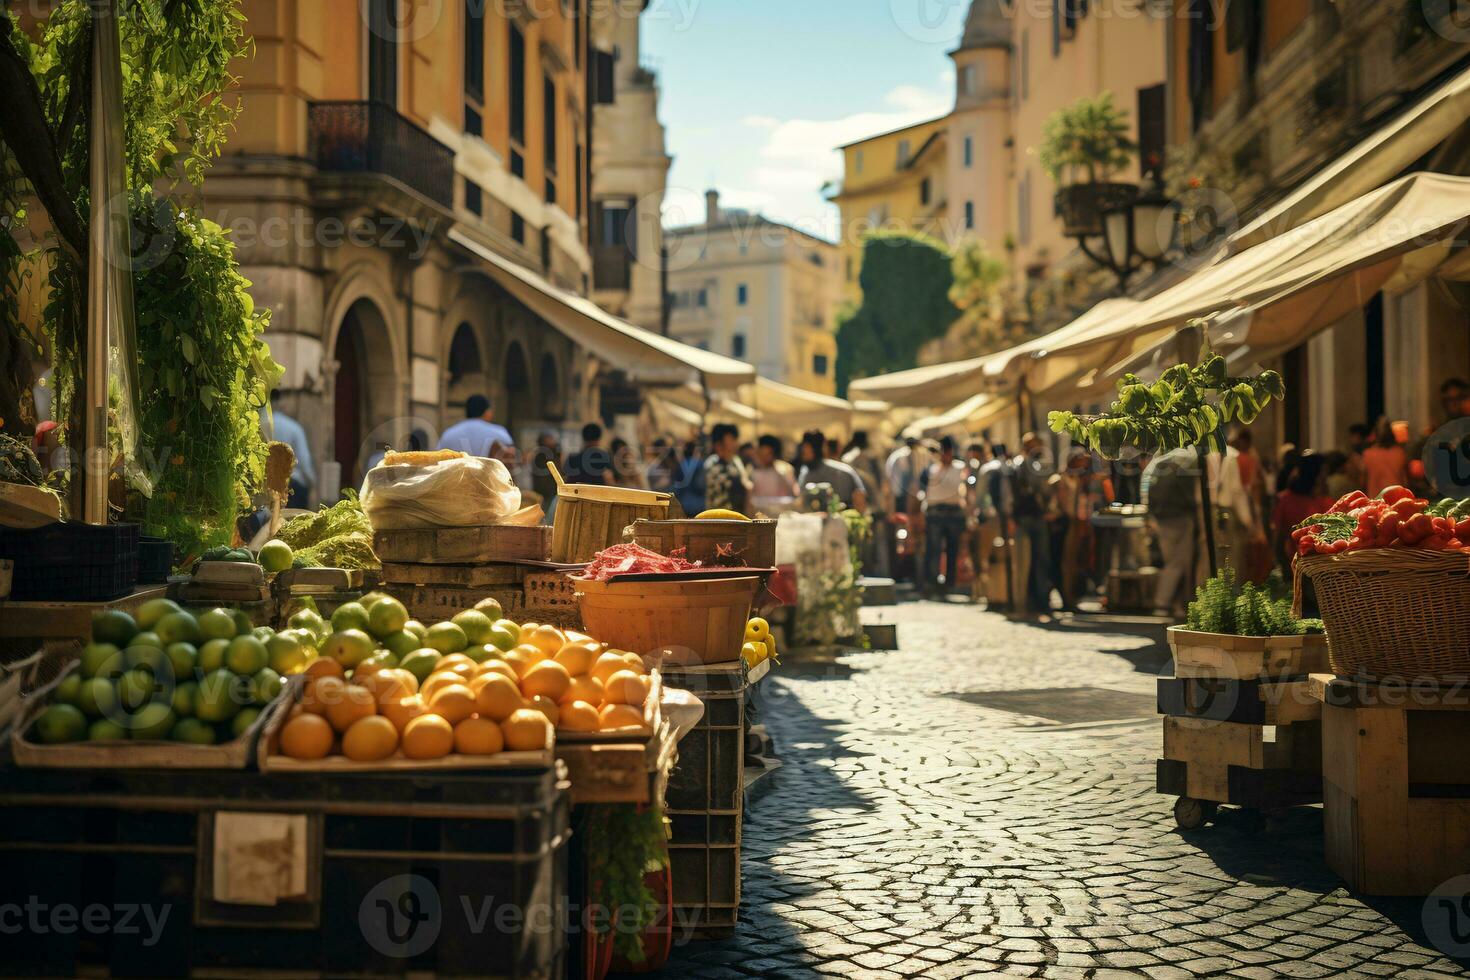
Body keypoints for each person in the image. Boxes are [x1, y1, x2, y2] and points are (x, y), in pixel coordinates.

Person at [1143, 447, 1202, 618]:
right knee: (1178, 563)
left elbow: (1146, 490)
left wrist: (1150, 515)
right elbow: (1191, 494)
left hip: (1162, 518)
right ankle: (1163, 603)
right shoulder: (1187, 460)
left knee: (1173, 561)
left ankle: (1175, 604)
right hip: (1181, 517)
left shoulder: (1158, 463)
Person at [1056, 447, 1113, 610]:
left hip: (1080, 524)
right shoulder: (1063, 479)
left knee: (1078, 562)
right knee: (1068, 563)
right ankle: (1067, 598)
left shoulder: (1082, 480)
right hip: (1067, 524)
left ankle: (1073, 596)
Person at [1012, 433, 1058, 615]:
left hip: (1035, 516)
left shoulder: (1032, 464)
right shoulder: (1022, 464)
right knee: (1032, 561)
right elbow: (1035, 488)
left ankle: (1039, 600)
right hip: (1026, 516)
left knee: (1040, 560)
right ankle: (1033, 601)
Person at [918, 435, 968, 598]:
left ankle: (949, 584)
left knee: (952, 550)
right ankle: (931, 583)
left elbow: (967, 490)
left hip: (954, 513)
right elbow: (922, 490)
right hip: (935, 513)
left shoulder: (960, 468)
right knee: (934, 550)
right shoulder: (930, 469)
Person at [1272, 453, 1333, 573]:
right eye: (1324, 473)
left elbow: (1278, 539)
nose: (1326, 477)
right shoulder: (1325, 503)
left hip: (1294, 565)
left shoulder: (1285, 499)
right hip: (1318, 567)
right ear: (1316, 475)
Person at [261, 388, 316, 506]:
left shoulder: (258, 425)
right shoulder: (293, 427)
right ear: (280, 401)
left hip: (263, 485)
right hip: (293, 485)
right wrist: (313, 484)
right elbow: (304, 461)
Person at [973, 444, 1010, 605]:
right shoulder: (1008, 467)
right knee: (1003, 555)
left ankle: (988, 593)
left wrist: (981, 512)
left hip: (990, 517)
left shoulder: (986, 469)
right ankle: (1003, 593)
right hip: (1005, 517)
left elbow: (981, 494)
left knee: (985, 555)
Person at [795, 429, 868, 511]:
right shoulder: (805, 473)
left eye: (808, 448)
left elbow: (860, 499)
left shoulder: (843, 472)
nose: (804, 451)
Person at [438, 394, 515, 461]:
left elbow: (437, 460)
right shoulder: (499, 433)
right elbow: (510, 460)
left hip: (455, 477)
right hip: (489, 477)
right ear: (487, 412)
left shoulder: (449, 434)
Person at [702, 423, 752, 515]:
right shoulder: (713, 464)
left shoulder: (735, 460)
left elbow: (745, 483)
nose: (736, 443)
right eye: (732, 439)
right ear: (718, 444)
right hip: (721, 519)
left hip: (737, 517)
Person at [1361, 416, 1408, 497]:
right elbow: (1406, 480)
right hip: (1397, 498)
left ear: (1375, 434)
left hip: (1375, 499)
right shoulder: (1400, 452)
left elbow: (1362, 481)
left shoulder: (1368, 454)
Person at [750, 435, 798, 510]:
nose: (761, 457)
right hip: (760, 515)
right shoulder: (753, 471)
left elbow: (795, 493)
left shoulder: (784, 469)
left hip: (782, 514)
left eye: (767, 454)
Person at [885, 436, 927, 516]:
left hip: (901, 495)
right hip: (901, 496)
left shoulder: (900, 455)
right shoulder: (903, 456)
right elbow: (908, 478)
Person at [673, 440, 707, 515]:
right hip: (698, 505)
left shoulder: (681, 465)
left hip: (684, 504)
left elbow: (677, 487)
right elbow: (701, 486)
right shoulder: (700, 464)